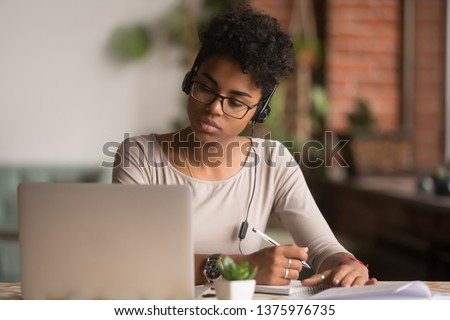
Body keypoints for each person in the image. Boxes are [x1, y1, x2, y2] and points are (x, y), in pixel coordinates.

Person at [112, 5, 377, 287]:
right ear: (190, 80)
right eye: (204, 88)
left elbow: (323, 247)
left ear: (258, 111)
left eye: (236, 102)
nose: (214, 108)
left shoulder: (273, 162)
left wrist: (347, 266)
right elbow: (132, 260)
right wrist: (239, 266)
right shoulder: (139, 156)